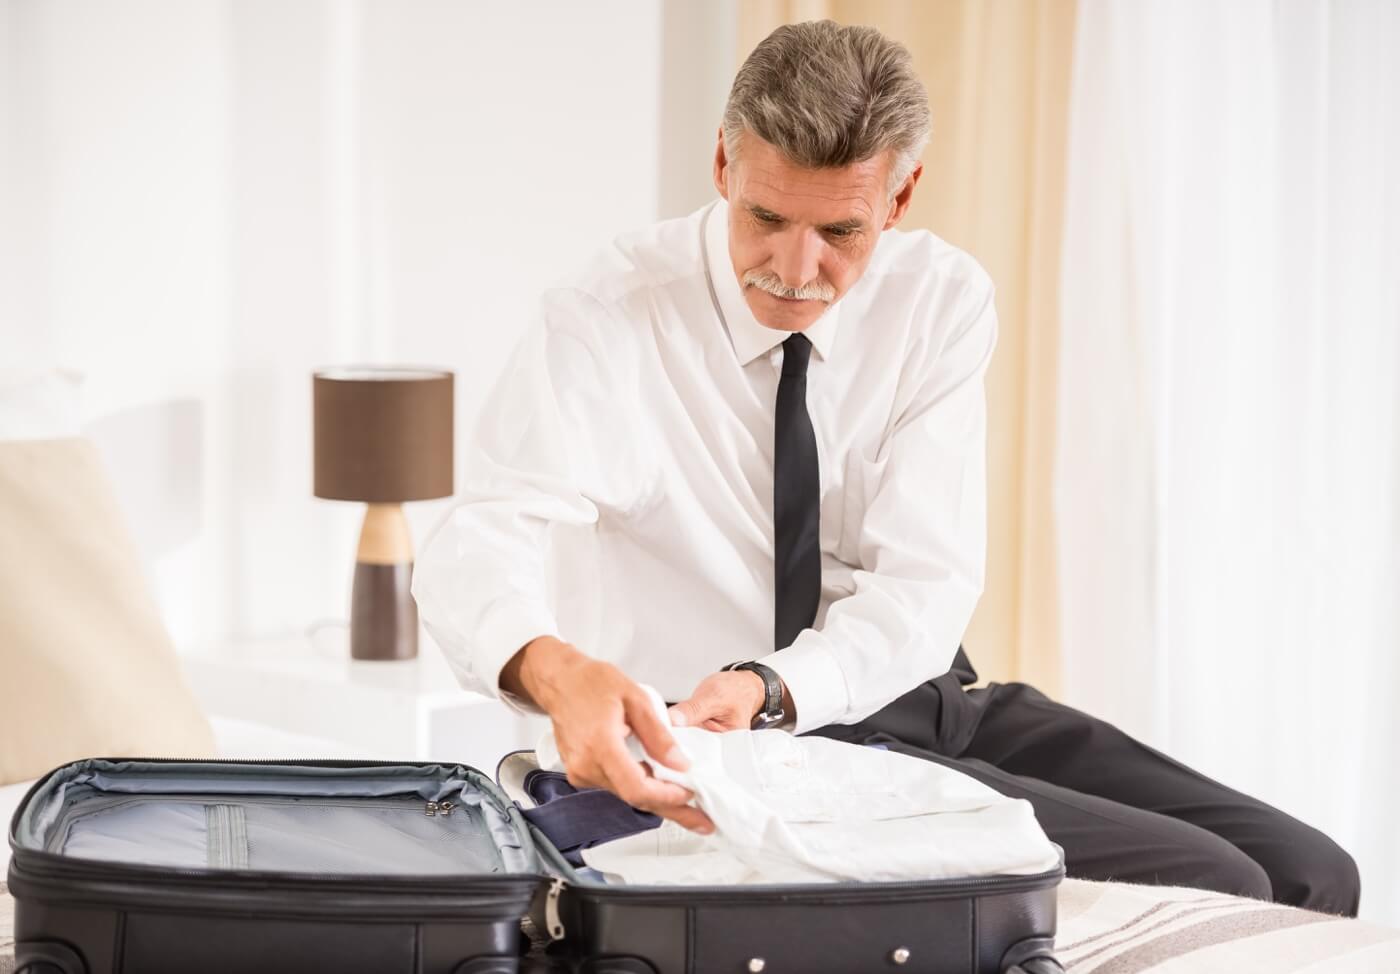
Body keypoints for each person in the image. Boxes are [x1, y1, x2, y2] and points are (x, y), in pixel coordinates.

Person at [413, 19, 1360, 915]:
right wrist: (553, 668)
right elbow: (480, 540)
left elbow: (925, 585)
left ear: (898, 200)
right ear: (722, 166)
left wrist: (773, 683)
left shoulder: (940, 299)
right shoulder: (608, 315)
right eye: (767, 217)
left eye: (841, 234)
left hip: (909, 690)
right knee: (1221, 879)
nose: (794, 266)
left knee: (1317, 872)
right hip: (733, 745)